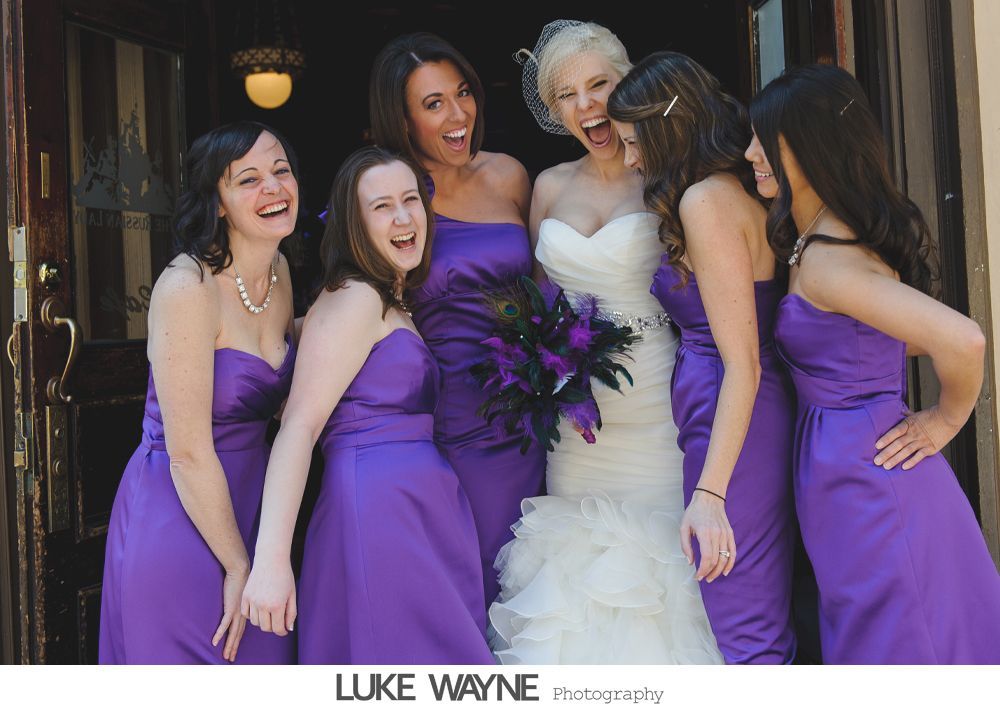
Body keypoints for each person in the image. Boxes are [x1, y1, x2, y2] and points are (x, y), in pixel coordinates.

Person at [748, 63, 1000, 663]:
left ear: (810, 146)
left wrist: (944, 419)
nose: (750, 152)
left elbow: (963, 340)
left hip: (873, 484)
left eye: (764, 139)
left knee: (901, 648)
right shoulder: (816, 237)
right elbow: (878, 338)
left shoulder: (831, 263)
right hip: (844, 477)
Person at [488, 20, 722, 664]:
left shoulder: (668, 176)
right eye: (567, 95)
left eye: (599, 84)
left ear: (628, 82)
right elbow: (539, 307)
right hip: (578, 433)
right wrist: (539, 370)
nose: (587, 105)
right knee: (575, 592)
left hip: (657, 418)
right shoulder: (549, 187)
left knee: (655, 587)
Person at [240, 146, 494, 664]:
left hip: (415, 509)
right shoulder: (354, 297)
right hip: (377, 513)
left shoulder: (388, 297)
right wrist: (270, 560)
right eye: (381, 207)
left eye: (411, 200)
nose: (403, 218)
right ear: (354, 224)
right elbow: (299, 427)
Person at [606, 52, 797, 664]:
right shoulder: (725, 190)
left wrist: (712, 494)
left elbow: (744, 363)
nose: (629, 159)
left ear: (666, 129)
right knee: (748, 611)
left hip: (733, 421)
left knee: (744, 623)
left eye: (633, 141)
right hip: (724, 417)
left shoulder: (705, 202)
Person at [99, 122, 298, 664]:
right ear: (218, 203)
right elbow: (187, 452)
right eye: (248, 179)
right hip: (179, 513)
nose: (274, 187)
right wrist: (237, 564)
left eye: (281, 171)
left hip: (254, 509)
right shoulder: (187, 287)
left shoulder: (279, 272)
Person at [367, 33, 546, 607]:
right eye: (433, 103)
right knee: (466, 582)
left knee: (532, 582)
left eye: (462, 93)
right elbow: (361, 304)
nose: (457, 114)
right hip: (444, 421)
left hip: (526, 413)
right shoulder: (390, 197)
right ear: (403, 121)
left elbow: (544, 287)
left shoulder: (509, 176)